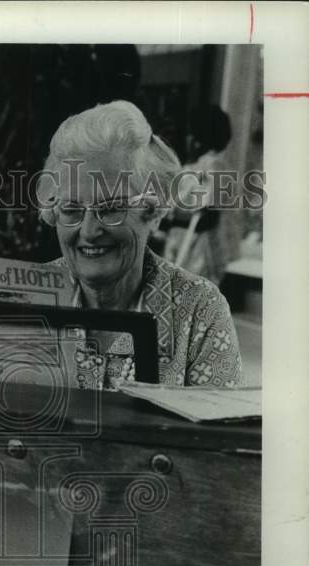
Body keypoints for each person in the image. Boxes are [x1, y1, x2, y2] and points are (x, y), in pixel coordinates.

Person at [38, 100, 242, 389]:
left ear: (153, 212)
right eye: (70, 209)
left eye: (111, 208)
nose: (89, 230)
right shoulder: (26, 297)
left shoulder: (200, 309)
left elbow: (217, 433)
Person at [163, 105, 233, 285]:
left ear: (198, 140)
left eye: (190, 134)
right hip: (182, 244)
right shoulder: (192, 168)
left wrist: (172, 217)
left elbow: (208, 215)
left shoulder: (213, 166)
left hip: (197, 249)